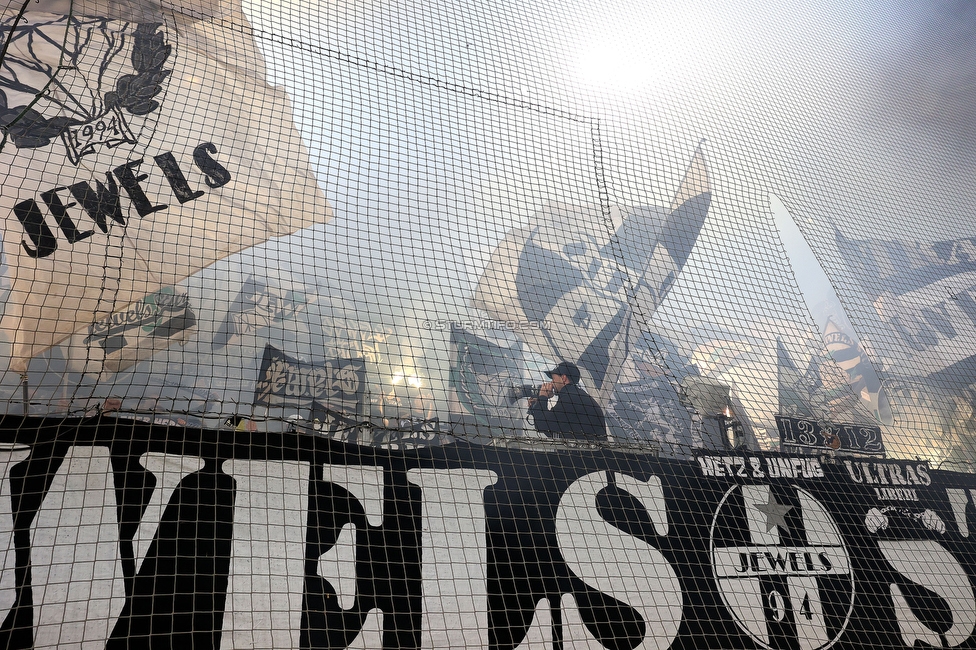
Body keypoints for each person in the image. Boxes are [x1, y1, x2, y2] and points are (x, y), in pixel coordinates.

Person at [527, 361, 607, 442]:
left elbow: (542, 425)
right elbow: (551, 428)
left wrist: (543, 397)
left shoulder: (570, 399)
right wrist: (536, 405)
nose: (551, 383)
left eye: (553, 379)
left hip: (587, 452)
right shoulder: (576, 395)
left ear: (564, 378)